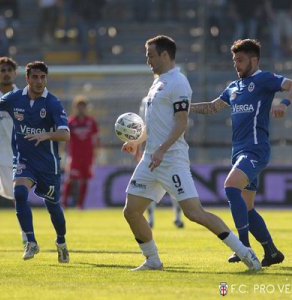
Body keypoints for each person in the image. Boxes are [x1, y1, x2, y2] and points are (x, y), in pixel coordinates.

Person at [122, 35, 261, 271]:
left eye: (151, 56)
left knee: (195, 213)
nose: (148, 61)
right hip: (151, 160)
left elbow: (181, 122)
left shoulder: (178, 83)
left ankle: (244, 252)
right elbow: (156, 123)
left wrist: (162, 150)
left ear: (165, 55)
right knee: (131, 211)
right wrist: (137, 141)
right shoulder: (157, 83)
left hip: (171, 159)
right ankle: (153, 260)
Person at [190, 39, 290, 267]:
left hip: (256, 149)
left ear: (254, 60)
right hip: (239, 151)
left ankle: (242, 246)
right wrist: (186, 108)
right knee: (247, 207)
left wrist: (283, 104)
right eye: (235, 60)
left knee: (230, 186)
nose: (237, 64)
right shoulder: (234, 87)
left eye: (241, 60)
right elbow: (213, 107)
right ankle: (271, 251)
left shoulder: (264, 79)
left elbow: (291, 85)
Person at [0, 61, 70, 263]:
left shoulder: (52, 102)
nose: (38, 81)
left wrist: (47, 135)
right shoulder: (13, 98)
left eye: (42, 77)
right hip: (23, 159)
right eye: (34, 77)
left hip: (47, 164)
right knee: (19, 193)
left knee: (53, 207)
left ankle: (61, 241)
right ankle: (31, 241)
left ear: (46, 79)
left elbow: (65, 134)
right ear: (27, 79)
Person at [0, 57, 27, 245]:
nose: (5, 73)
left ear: (14, 73)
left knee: (18, 197)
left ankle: (25, 235)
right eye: (2, 70)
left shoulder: (22, 97)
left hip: (12, 156)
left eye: (9, 70)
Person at [137, 96, 184, 229]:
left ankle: (177, 217)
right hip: (151, 151)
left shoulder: (174, 97)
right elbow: (143, 125)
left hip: (170, 151)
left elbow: (181, 124)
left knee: (176, 188)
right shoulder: (146, 100)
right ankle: (151, 218)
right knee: (147, 187)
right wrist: (139, 147)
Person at [62, 95, 100, 209]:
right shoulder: (71, 121)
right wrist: (64, 153)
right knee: (71, 179)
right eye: (79, 106)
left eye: (83, 106)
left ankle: (80, 205)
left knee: (85, 180)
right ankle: (64, 203)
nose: (81, 109)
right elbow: (65, 138)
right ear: (75, 108)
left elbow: (96, 137)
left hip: (87, 156)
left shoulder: (91, 121)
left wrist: (97, 152)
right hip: (75, 156)